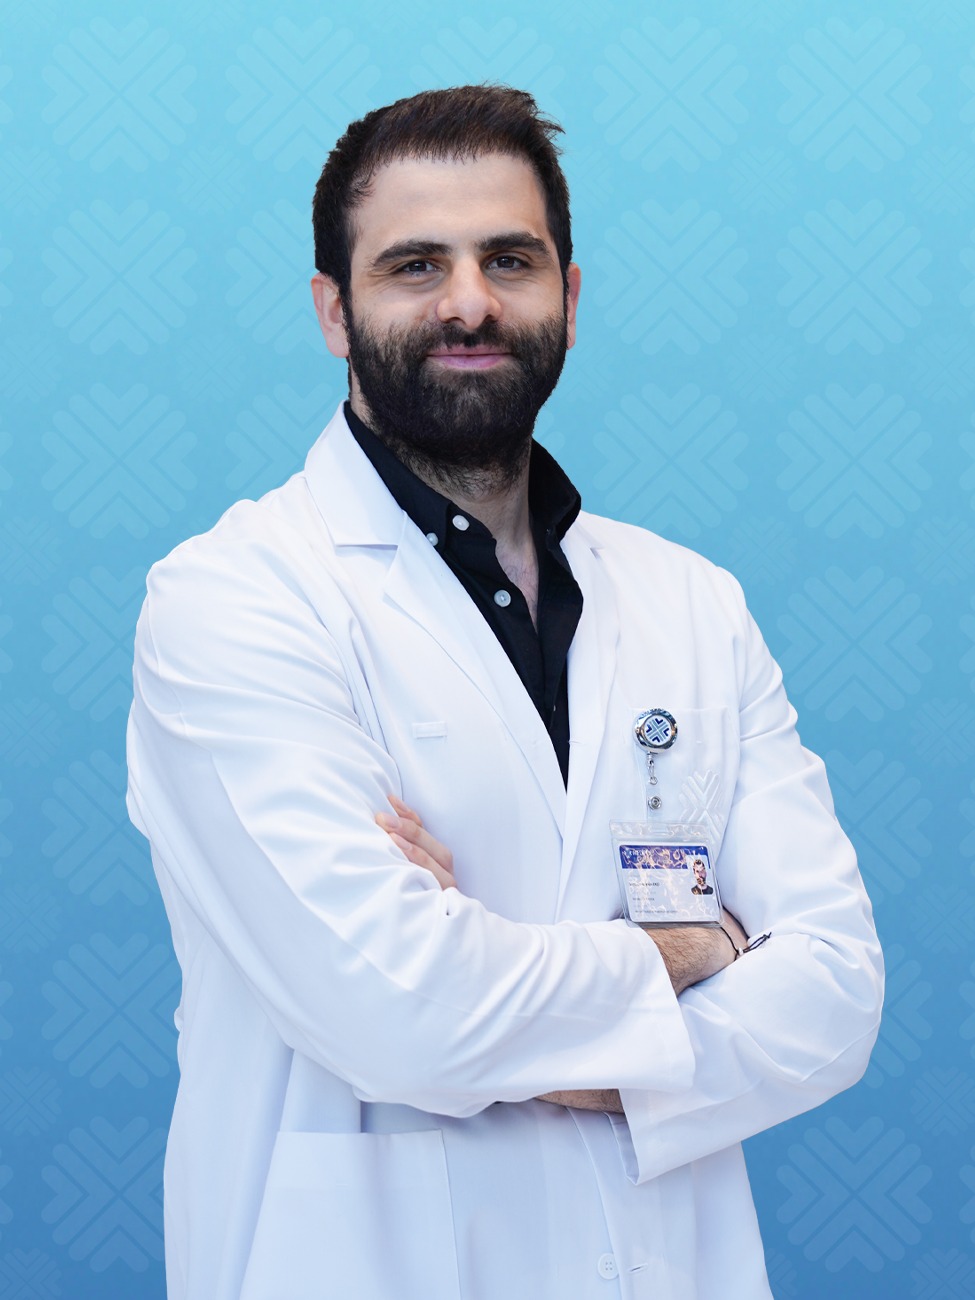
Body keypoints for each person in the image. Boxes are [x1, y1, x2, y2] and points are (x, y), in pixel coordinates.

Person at [126, 85, 883, 1300]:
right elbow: (399, 1009)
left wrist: (494, 1007)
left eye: (510, 260)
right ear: (334, 311)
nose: (470, 302)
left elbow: (835, 992)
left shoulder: (692, 600)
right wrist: (705, 948)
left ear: (570, 298)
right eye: (415, 264)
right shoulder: (235, 600)